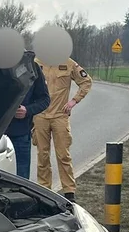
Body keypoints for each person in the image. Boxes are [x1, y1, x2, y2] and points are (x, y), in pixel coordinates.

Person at [33, 57, 93, 202]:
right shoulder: (36, 62)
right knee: (42, 155)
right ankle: (44, 189)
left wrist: (74, 100)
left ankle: (69, 192)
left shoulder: (69, 63)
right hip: (40, 115)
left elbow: (86, 82)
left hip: (60, 115)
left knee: (63, 155)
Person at [5, 60, 50, 179]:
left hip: (19, 134)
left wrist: (28, 110)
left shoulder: (30, 66)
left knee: (21, 180)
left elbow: (44, 99)